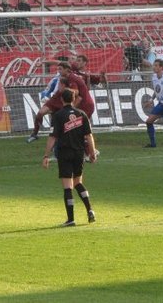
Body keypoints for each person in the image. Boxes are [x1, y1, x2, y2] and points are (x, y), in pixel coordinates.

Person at [42, 88, 97, 227]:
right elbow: (89, 136)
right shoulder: (82, 114)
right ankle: (90, 209)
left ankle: (71, 219)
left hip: (64, 153)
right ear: (73, 99)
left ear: (62, 99)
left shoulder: (58, 115)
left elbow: (52, 137)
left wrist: (46, 155)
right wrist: (92, 152)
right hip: (79, 153)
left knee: (68, 187)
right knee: (78, 182)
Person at [28, 62, 95, 143]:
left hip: (82, 103)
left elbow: (76, 92)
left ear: (67, 70)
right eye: (58, 69)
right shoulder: (63, 77)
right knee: (40, 113)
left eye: (60, 69)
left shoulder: (71, 78)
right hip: (57, 98)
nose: (58, 71)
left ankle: (87, 149)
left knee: (75, 127)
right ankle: (35, 134)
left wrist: (66, 95)